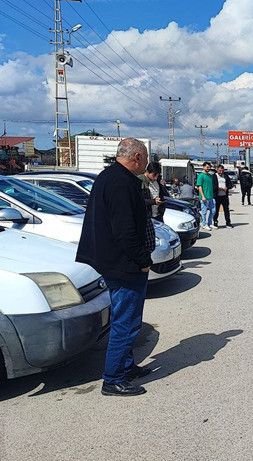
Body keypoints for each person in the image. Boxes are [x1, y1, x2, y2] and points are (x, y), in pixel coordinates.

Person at [75, 138, 154, 397]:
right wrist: (143, 260)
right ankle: (113, 378)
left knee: (126, 318)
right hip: (123, 264)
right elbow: (125, 232)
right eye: (145, 158)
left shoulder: (110, 176)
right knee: (126, 322)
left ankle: (126, 366)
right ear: (137, 157)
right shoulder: (120, 183)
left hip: (113, 260)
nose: (145, 163)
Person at [196, 162, 216, 230]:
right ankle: (204, 224)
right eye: (207, 167)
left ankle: (210, 223)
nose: (208, 169)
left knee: (213, 210)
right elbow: (199, 186)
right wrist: (203, 196)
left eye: (209, 167)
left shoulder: (210, 176)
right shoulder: (201, 176)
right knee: (204, 211)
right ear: (204, 167)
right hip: (204, 197)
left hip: (211, 196)